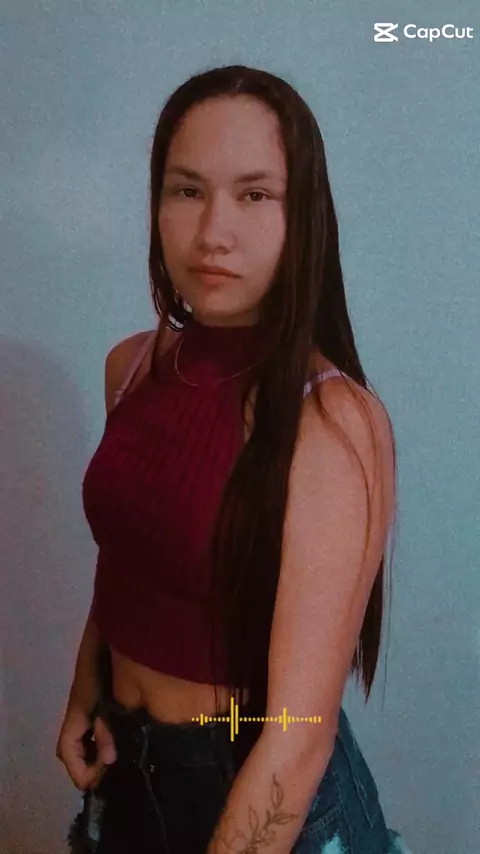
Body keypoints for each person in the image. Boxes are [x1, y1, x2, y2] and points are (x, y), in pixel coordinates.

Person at [56, 64, 414, 854]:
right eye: (187, 190)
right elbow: (132, 553)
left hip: (256, 787)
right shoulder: (132, 366)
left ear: (303, 215)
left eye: (255, 194)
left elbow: (298, 732)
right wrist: (86, 692)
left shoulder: (334, 420)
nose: (213, 231)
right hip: (126, 767)